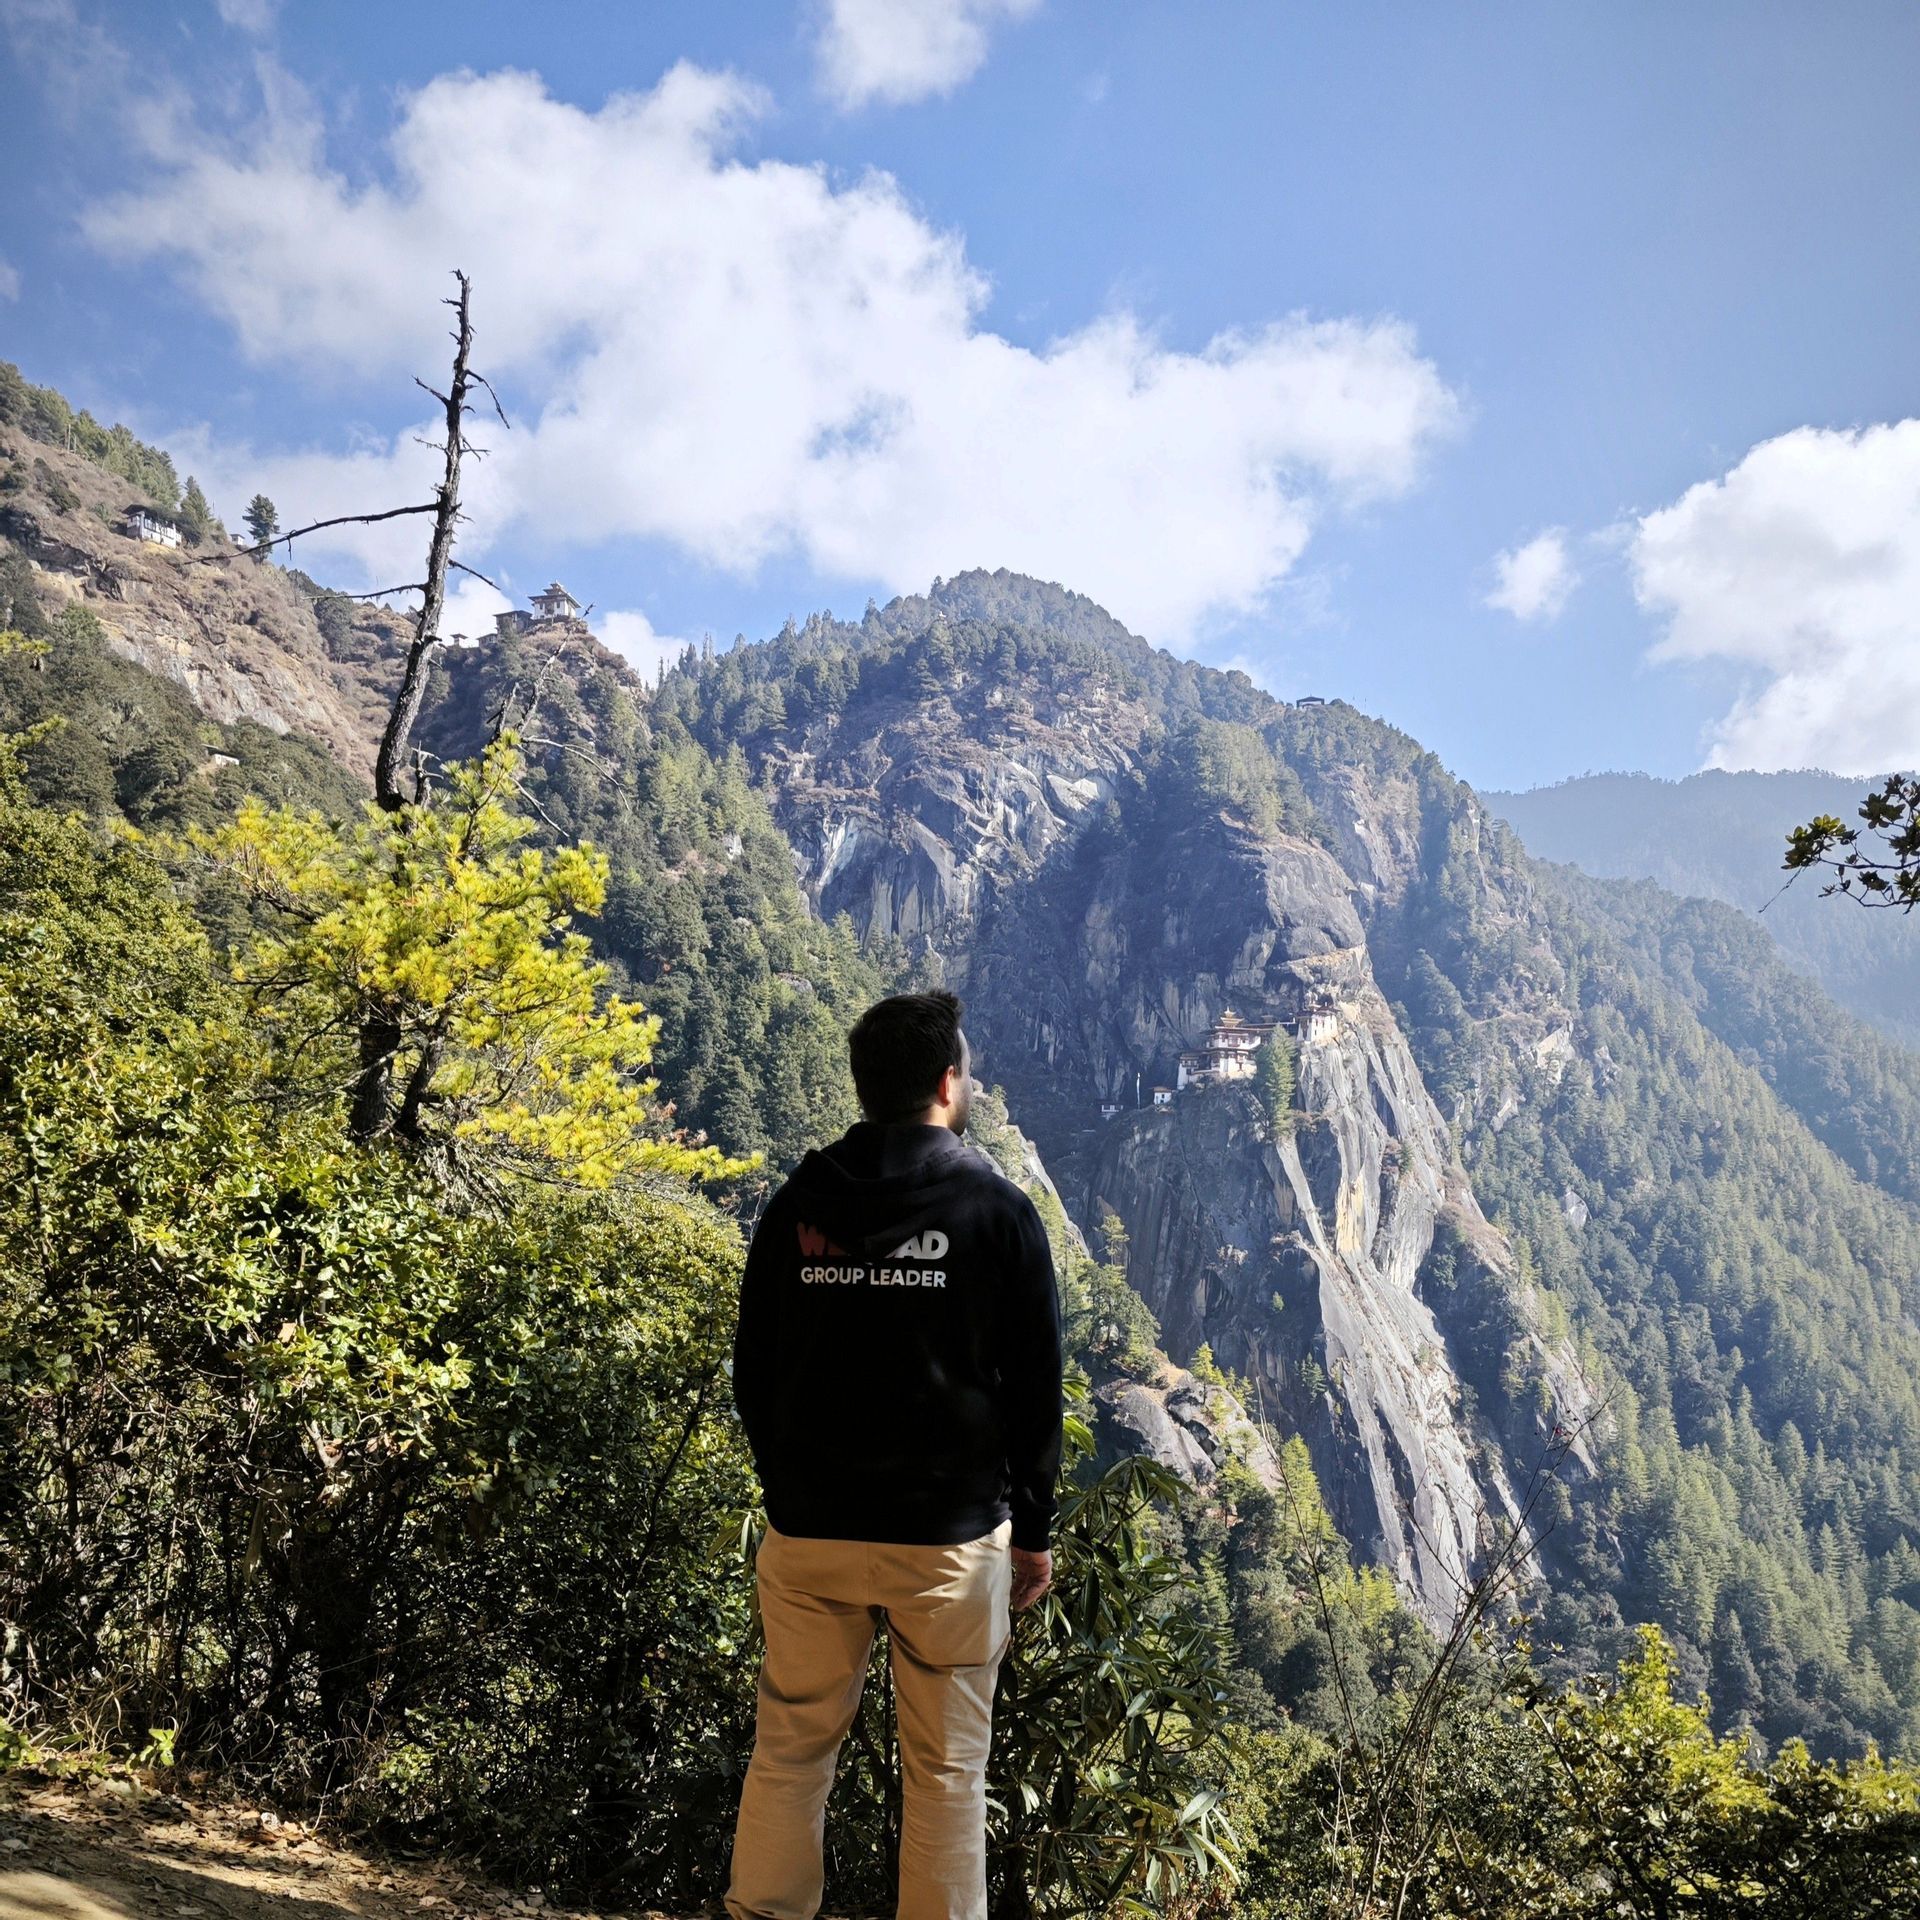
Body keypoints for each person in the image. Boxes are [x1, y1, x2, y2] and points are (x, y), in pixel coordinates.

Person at [724, 990, 1065, 1920]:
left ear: (865, 1086)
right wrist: (1033, 1532)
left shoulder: (798, 1206)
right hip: (949, 1543)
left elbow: (754, 1369)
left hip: (811, 1532)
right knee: (948, 1773)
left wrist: (792, 1485)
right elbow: (1036, 1391)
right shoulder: (998, 1212)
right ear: (948, 1084)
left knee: (790, 1749)